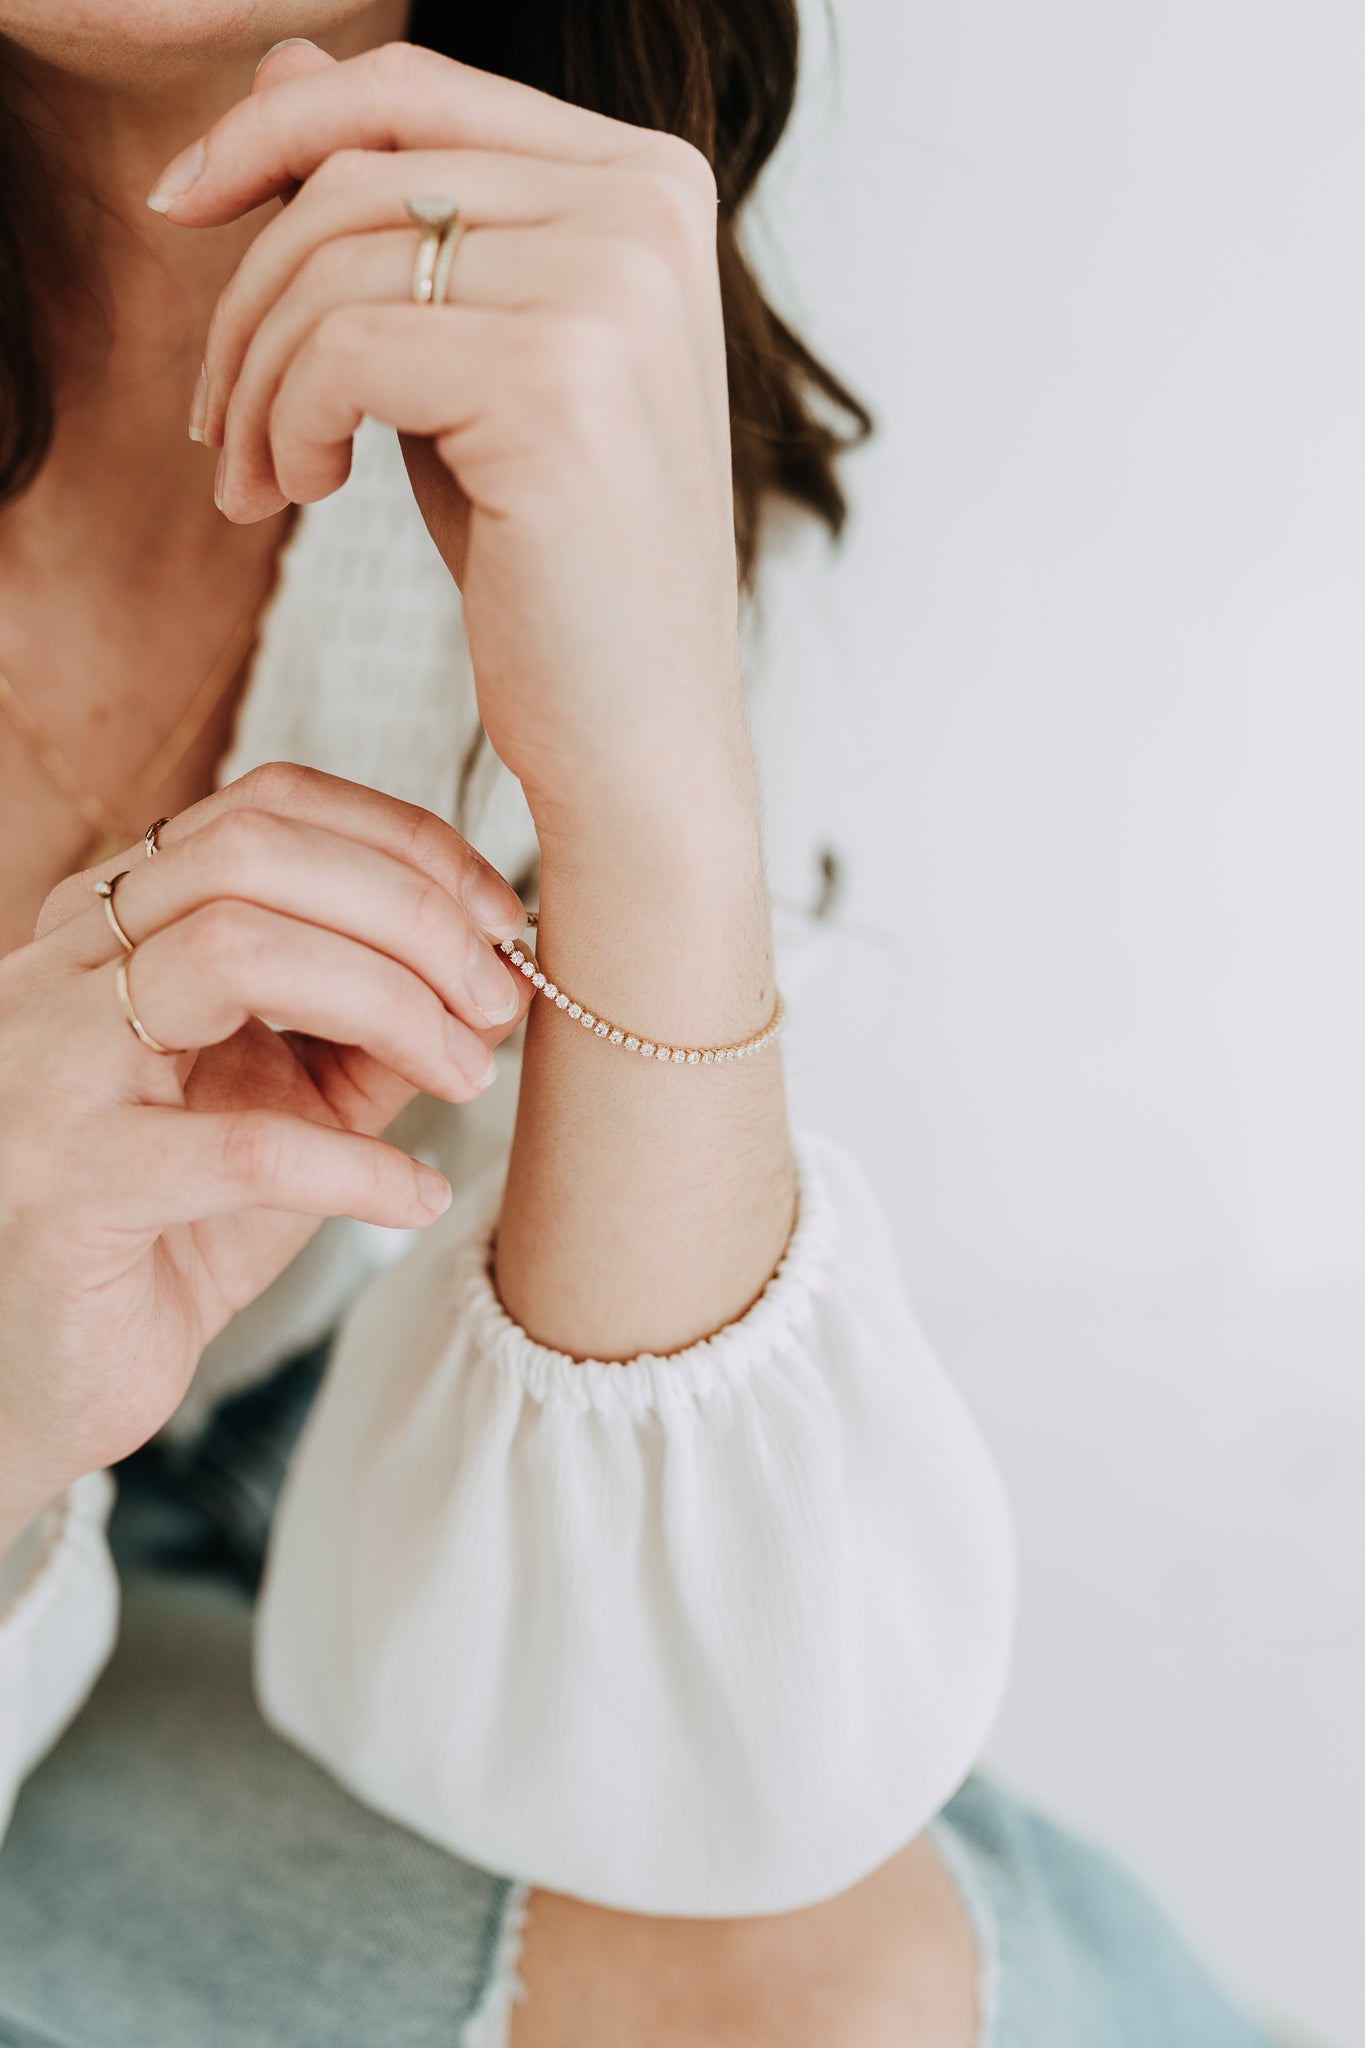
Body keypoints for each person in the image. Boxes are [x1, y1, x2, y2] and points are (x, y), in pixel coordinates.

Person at [0, 7, 1278, 2044]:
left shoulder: (572, 354)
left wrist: (651, 797)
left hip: (257, 1499)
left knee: (873, 1980)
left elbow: (696, 1761)